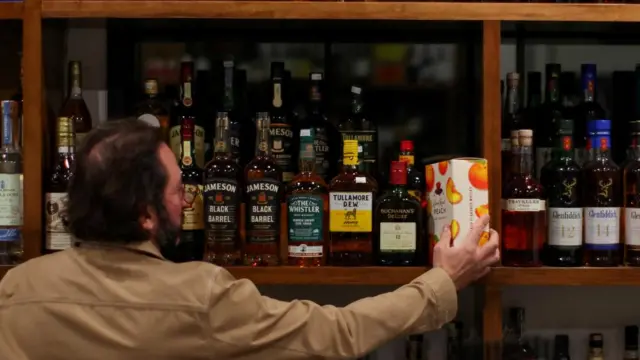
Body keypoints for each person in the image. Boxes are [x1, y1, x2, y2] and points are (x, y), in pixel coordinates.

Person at [0, 120, 500, 359]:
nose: (188, 202)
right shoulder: (201, 296)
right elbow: (339, 333)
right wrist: (444, 279)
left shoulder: (17, 290)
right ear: (146, 215)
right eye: (178, 191)